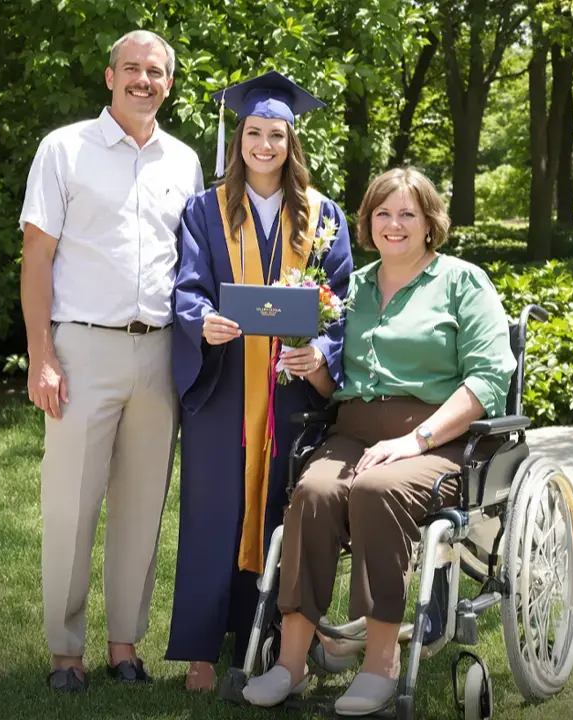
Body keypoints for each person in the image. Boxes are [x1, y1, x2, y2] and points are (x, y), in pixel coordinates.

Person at [241, 167, 517, 716]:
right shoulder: (354, 288)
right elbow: (337, 380)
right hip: (355, 429)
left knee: (377, 490)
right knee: (314, 493)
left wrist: (417, 439)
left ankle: (381, 661)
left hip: (437, 437)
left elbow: (488, 380)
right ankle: (290, 662)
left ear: (429, 222)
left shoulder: (462, 281)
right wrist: (312, 365)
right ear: (367, 221)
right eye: (382, 213)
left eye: (407, 214)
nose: (394, 224)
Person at [18, 29, 203, 693]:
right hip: (82, 347)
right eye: (132, 69)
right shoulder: (64, 149)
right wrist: (42, 357)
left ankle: (125, 644)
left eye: (155, 72)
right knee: (71, 504)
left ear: (169, 84)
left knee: (142, 505)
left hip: (159, 353)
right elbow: (36, 258)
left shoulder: (183, 163)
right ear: (109, 76)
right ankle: (66, 653)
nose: (143, 81)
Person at [165, 71, 354, 692]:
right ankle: (199, 649)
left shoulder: (321, 214)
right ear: (238, 137)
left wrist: (321, 350)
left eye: (277, 134)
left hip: (290, 394)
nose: (264, 145)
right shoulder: (206, 208)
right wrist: (203, 322)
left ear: (292, 140)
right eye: (253, 132)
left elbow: (343, 301)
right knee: (211, 513)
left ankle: (271, 637)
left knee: (282, 513)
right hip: (223, 390)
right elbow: (187, 288)